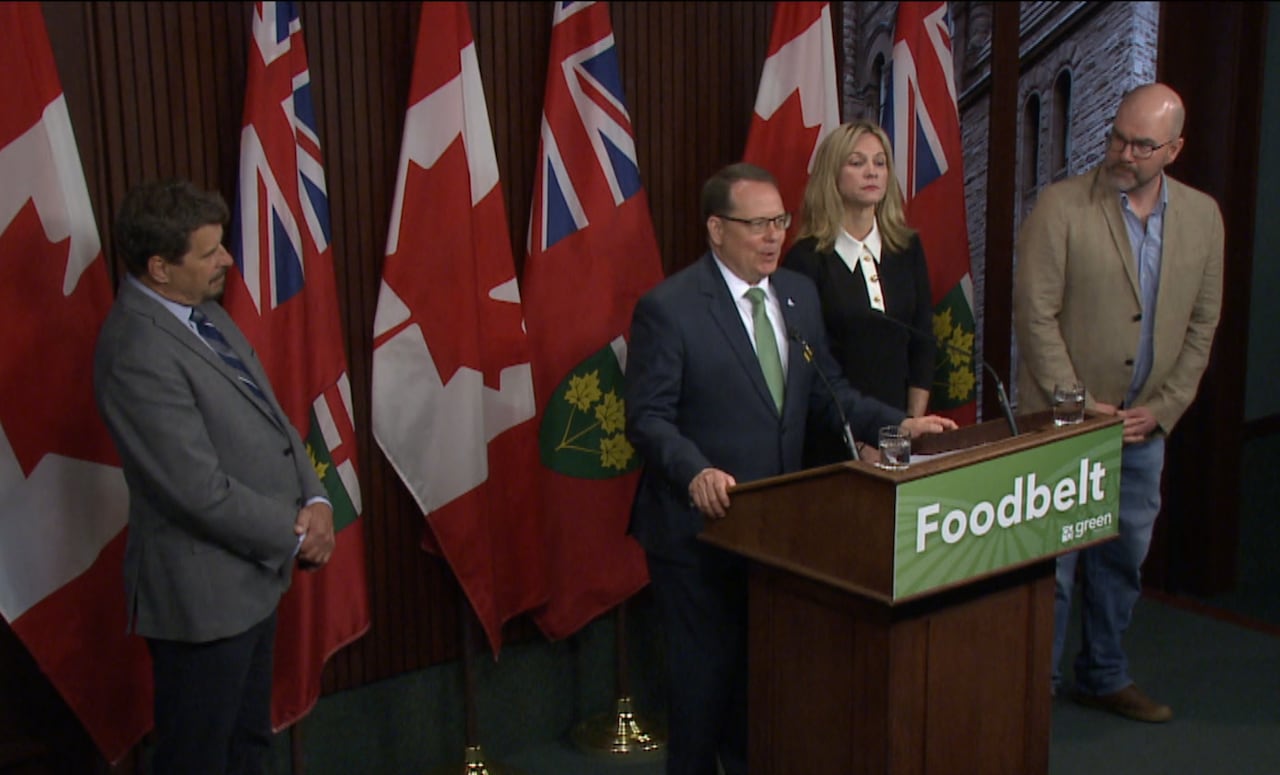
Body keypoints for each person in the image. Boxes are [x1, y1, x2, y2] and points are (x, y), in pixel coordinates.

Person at [625, 162, 957, 774]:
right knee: (702, 692)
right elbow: (647, 419)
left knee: (765, 691)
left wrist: (897, 424)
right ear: (716, 230)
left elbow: (827, 392)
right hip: (699, 532)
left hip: (778, 534)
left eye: (780, 221)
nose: (775, 236)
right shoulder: (669, 308)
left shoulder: (797, 296)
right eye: (758, 224)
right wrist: (695, 471)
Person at [93, 179, 336, 774]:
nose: (227, 259)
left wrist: (315, 496)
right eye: (209, 252)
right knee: (199, 758)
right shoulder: (136, 350)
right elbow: (196, 490)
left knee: (248, 746)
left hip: (252, 582)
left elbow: (273, 417)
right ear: (158, 267)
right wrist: (296, 531)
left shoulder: (203, 315)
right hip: (200, 600)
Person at [1014, 83, 1223, 724]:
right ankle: (1031, 693)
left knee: (1122, 559)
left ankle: (1103, 675)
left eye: (1141, 145)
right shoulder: (1061, 206)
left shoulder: (1202, 216)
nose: (1123, 153)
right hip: (1063, 424)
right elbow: (1035, 315)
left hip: (1143, 429)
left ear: (1174, 149)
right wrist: (1076, 401)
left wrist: (1164, 407)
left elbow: (1201, 324)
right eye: (1118, 137)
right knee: (1053, 569)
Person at [786, 121, 936, 465]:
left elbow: (923, 341)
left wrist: (908, 430)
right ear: (832, 175)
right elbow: (810, 372)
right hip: (833, 441)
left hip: (900, 437)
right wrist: (860, 440)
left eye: (880, 163)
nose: (872, 172)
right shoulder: (806, 259)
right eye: (857, 163)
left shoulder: (907, 247)